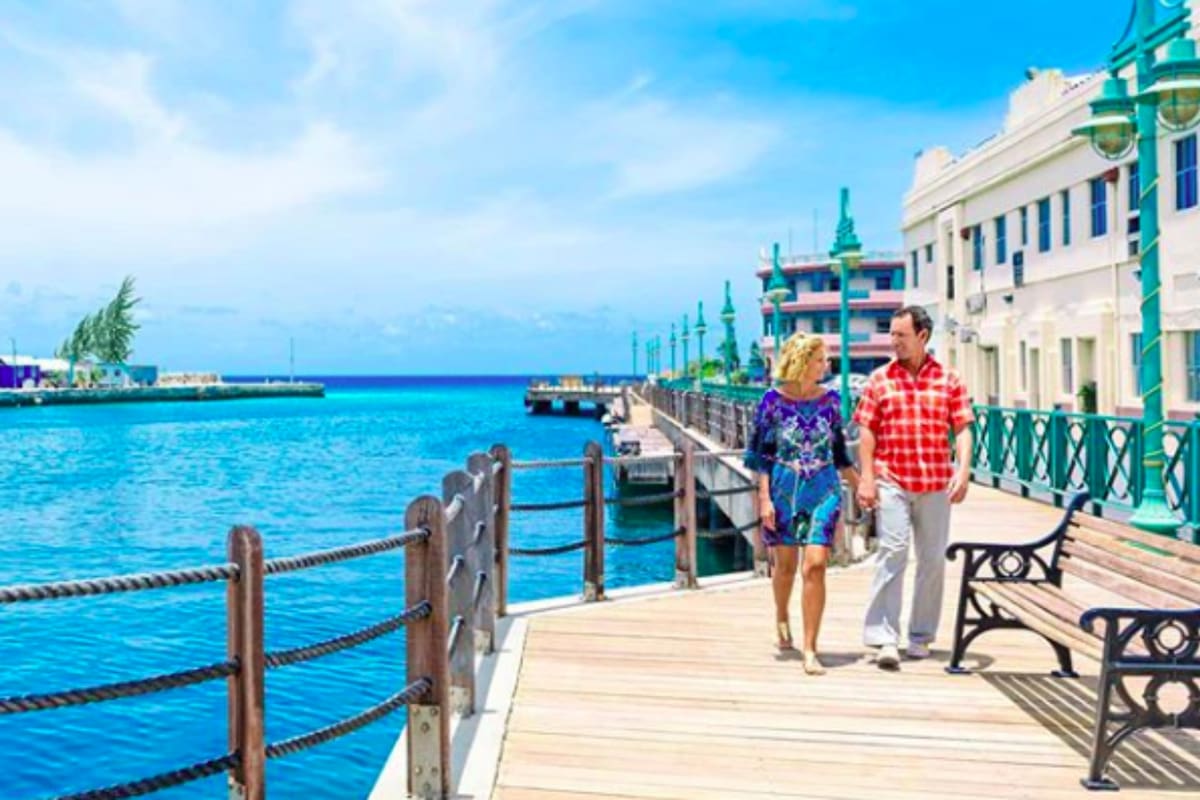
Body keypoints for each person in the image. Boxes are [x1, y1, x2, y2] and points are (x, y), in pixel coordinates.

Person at [853, 306, 974, 670]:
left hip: (935, 481)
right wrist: (867, 478)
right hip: (892, 479)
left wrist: (963, 471)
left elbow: (963, 428)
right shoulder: (879, 379)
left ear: (922, 336)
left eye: (901, 335)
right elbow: (866, 430)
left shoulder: (949, 379)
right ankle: (884, 638)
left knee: (932, 559)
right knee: (893, 551)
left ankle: (920, 636)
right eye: (891, 334)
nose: (894, 341)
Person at [744, 332, 859, 675]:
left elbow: (839, 452)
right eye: (821, 359)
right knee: (786, 567)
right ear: (803, 362)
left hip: (824, 490)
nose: (827, 365)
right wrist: (764, 498)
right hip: (783, 491)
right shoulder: (772, 401)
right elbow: (761, 456)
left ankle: (810, 648)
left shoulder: (831, 401)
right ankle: (781, 615)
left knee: (816, 565)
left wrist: (861, 486)